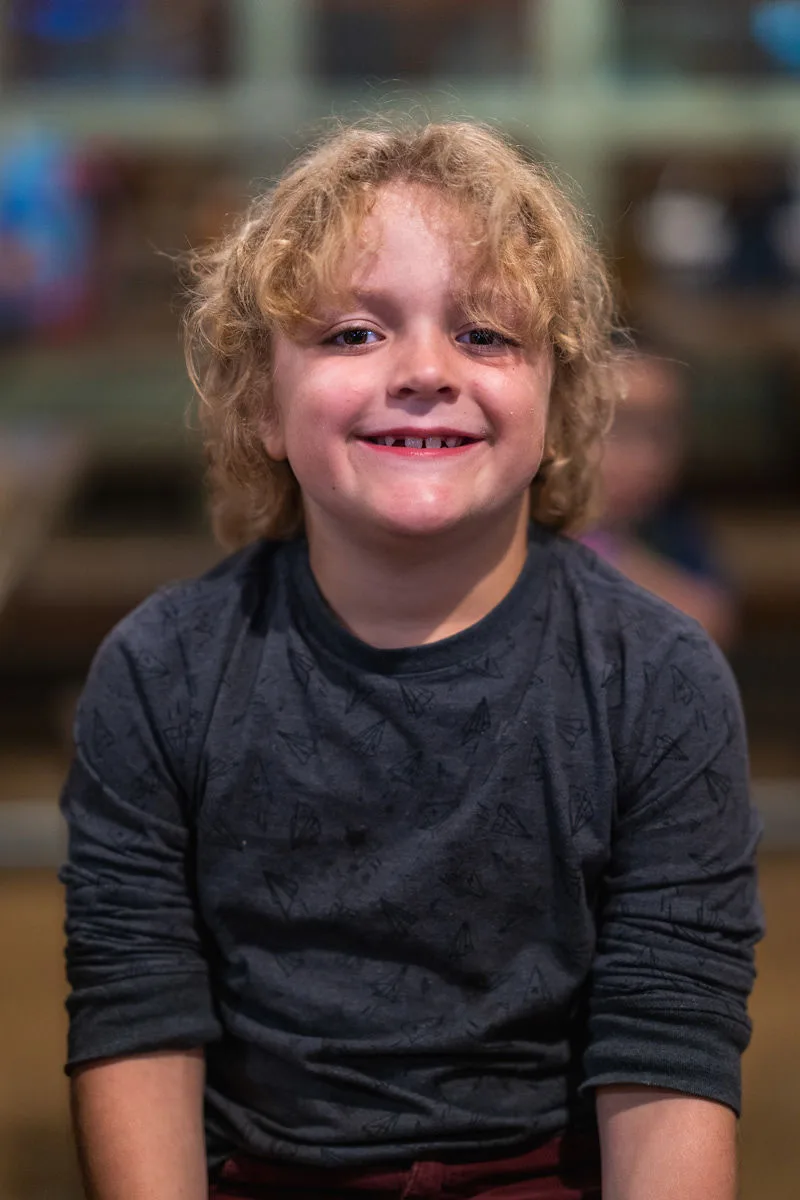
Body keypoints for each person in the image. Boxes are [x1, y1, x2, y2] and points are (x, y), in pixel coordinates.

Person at [60, 121, 762, 1200]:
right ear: (259, 403)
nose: (424, 370)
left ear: (559, 403)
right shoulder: (162, 673)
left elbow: (667, 1063)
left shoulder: (657, 680)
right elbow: (137, 1023)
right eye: (350, 334)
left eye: (486, 336)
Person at [582, 347, 737, 648]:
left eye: (660, 432)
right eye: (617, 428)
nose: (645, 458)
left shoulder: (673, 527)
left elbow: (709, 622)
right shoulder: (520, 536)